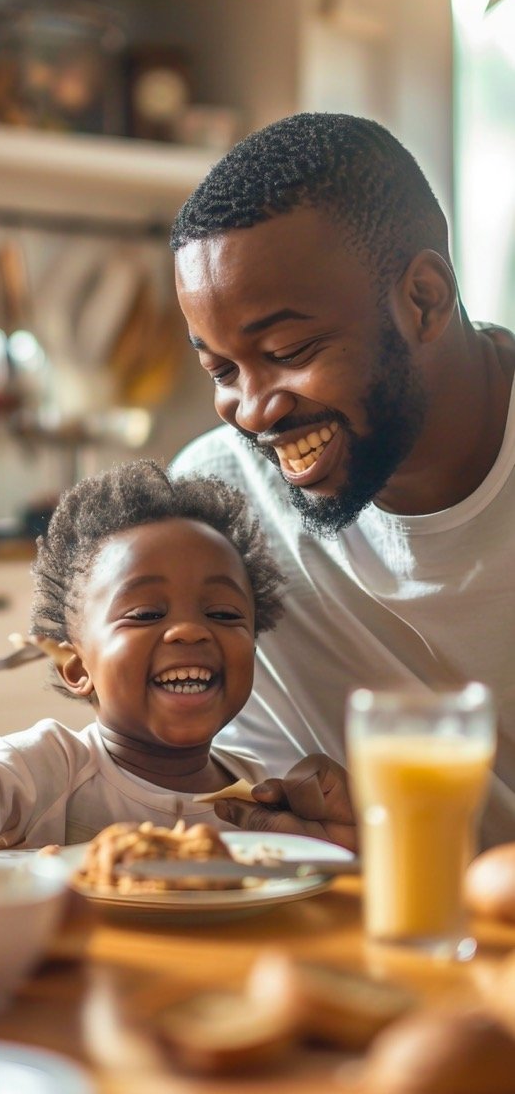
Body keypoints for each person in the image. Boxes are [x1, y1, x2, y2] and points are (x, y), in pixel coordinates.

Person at [169, 111, 515, 849]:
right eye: (221, 370)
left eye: (289, 349)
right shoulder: (219, 508)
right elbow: (226, 789)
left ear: (423, 298)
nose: (254, 411)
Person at [0, 460, 355, 851]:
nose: (188, 631)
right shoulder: (45, 769)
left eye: (223, 614)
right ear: (76, 666)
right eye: (146, 614)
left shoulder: (259, 791)